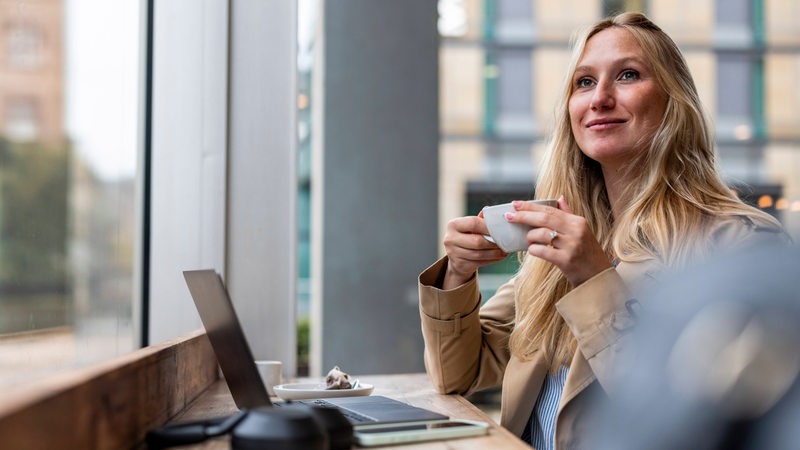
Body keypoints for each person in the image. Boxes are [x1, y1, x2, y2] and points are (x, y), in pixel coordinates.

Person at [417, 11, 790, 450]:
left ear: (674, 100)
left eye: (628, 75)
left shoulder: (740, 243)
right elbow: (459, 373)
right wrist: (458, 274)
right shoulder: (567, 239)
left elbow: (701, 423)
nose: (600, 98)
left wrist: (594, 280)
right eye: (584, 82)